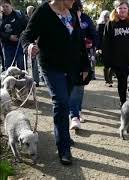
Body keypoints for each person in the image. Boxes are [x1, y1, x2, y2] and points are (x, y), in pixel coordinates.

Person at [21, 0, 90, 165]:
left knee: (64, 102)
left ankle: (63, 135)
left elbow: (79, 40)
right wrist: (29, 46)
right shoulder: (44, 11)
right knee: (61, 102)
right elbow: (27, 34)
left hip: (72, 66)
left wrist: (85, 64)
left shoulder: (72, 12)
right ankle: (63, 148)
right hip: (51, 67)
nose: (75, 1)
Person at [102, 0, 129, 107]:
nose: (122, 10)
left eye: (124, 8)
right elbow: (106, 42)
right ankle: (123, 102)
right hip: (115, 58)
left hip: (128, 58)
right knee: (122, 80)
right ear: (116, 10)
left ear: (128, 10)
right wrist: (106, 60)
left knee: (124, 79)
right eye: (120, 8)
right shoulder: (110, 24)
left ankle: (123, 100)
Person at [69, 0, 96, 129]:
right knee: (73, 87)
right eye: (74, 11)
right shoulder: (65, 22)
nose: (77, 13)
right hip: (67, 60)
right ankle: (74, 116)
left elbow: (94, 34)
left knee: (80, 86)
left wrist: (91, 42)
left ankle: (77, 111)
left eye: (78, 10)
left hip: (83, 57)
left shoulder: (85, 20)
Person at [0, 0, 27, 70]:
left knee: (21, 67)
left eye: (7, 6)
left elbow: (27, 26)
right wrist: (9, 37)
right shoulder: (0, 18)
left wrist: (24, 32)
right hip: (7, 47)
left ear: (11, 5)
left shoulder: (19, 14)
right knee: (8, 67)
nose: (5, 8)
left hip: (20, 45)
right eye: (3, 6)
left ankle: (22, 80)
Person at [96, 10, 113, 86]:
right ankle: (107, 81)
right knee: (106, 65)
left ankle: (110, 78)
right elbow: (98, 38)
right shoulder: (100, 26)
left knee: (113, 64)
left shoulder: (111, 24)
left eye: (108, 16)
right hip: (103, 47)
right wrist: (98, 48)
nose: (107, 18)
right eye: (106, 16)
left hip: (111, 47)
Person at [25, 5, 41, 87]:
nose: (29, 14)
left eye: (31, 12)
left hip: (39, 44)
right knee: (33, 63)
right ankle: (34, 81)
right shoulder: (25, 20)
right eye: (28, 13)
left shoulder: (39, 18)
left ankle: (38, 80)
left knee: (39, 63)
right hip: (31, 45)